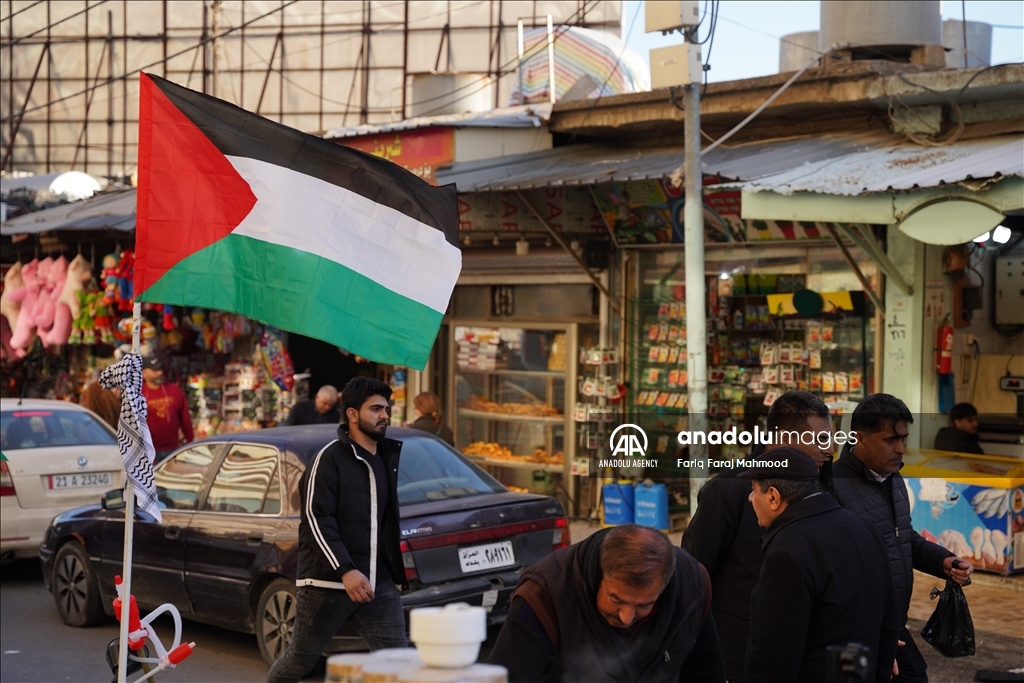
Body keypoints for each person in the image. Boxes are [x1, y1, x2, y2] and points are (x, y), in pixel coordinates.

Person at [680, 390, 835, 682]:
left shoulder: (827, 487)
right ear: (781, 440)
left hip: (807, 656)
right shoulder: (726, 492)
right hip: (739, 658)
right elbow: (692, 576)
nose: (830, 451)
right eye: (821, 440)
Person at [266, 377, 407, 683]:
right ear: (352, 414)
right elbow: (317, 519)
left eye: (387, 408)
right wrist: (346, 570)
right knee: (299, 662)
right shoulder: (328, 459)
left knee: (399, 663)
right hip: (326, 585)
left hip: (376, 584)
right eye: (376, 409)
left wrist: (391, 570)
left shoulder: (385, 456)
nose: (385, 415)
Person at [833, 393, 974, 683]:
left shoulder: (893, 479)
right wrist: (867, 639)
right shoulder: (833, 487)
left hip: (891, 625)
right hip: (853, 634)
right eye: (890, 440)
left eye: (904, 439)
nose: (900, 449)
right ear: (859, 438)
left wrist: (943, 561)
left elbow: (902, 537)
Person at [488, 524, 725, 683]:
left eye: (645, 604)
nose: (626, 617)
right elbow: (508, 677)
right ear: (599, 575)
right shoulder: (544, 597)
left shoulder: (690, 585)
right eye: (616, 599)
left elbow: (706, 672)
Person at [740, 448, 897, 682]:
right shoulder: (863, 528)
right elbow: (888, 623)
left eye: (753, 490)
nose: (750, 498)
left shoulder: (786, 551)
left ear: (773, 497)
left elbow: (773, 656)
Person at [140, 355, 193, 460]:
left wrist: (190, 442)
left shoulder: (174, 390)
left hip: (173, 449)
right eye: (155, 370)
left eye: (160, 369)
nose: (160, 373)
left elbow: (185, 418)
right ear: (144, 373)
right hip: (148, 451)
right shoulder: (137, 394)